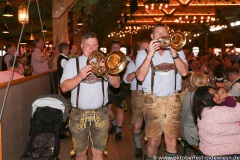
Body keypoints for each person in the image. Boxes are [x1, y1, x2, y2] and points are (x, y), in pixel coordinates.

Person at [60, 32, 120, 160]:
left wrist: (107, 72)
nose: (91, 48)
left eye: (94, 45)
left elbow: (117, 85)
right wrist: (80, 76)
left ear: (98, 46)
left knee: (98, 153)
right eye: (88, 45)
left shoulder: (106, 63)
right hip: (78, 114)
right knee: (80, 153)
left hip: (101, 113)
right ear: (82, 45)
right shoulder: (72, 63)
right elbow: (64, 87)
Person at [135, 23, 188, 159]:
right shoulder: (143, 53)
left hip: (173, 101)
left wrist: (174, 53)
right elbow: (140, 77)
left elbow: (184, 72)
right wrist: (149, 55)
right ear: (152, 37)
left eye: (164, 33)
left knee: (171, 140)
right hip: (152, 101)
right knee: (154, 141)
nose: (161, 36)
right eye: (158, 33)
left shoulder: (178, 51)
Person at [192, 86, 240, 158]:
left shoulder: (202, 110)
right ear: (204, 101)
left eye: (216, 93)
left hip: (208, 150)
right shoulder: (214, 111)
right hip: (222, 154)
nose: (218, 95)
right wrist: (227, 97)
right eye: (213, 95)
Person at [123, 40, 149, 159]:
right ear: (139, 51)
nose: (146, 51)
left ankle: (150, 150)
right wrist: (138, 71)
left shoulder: (155, 62)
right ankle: (138, 147)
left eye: (148, 49)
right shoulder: (132, 63)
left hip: (152, 94)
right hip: (138, 94)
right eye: (143, 49)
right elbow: (126, 79)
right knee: (137, 125)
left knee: (152, 125)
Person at [107, 40, 129, 141]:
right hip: (110, 87)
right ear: (111, 49)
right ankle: (115, 124)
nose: (115, 49)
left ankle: (118, 132)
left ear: (120, 49)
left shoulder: (127, 59)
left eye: (117, 47)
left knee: (120, 109)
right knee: (107, 109)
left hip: (122, 87)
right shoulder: (107, 59)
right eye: (113, 47)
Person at [182, 72, 208, 147]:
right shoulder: (209, 96)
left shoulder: (188, 96)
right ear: (206, 82)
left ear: (192, 83)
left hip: (191, 129)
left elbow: (183, 116)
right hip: (196, 131)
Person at [57, 42, 70, 140]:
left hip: (66, 86)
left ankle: (64, 127)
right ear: (65, 49)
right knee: (66, 108)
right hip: (66, 87)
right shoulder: (63, 60)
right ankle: (60, 131)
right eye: (68, 49)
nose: (68, 50)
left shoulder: (63, 59)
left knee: (68, 108)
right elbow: (69, 72)